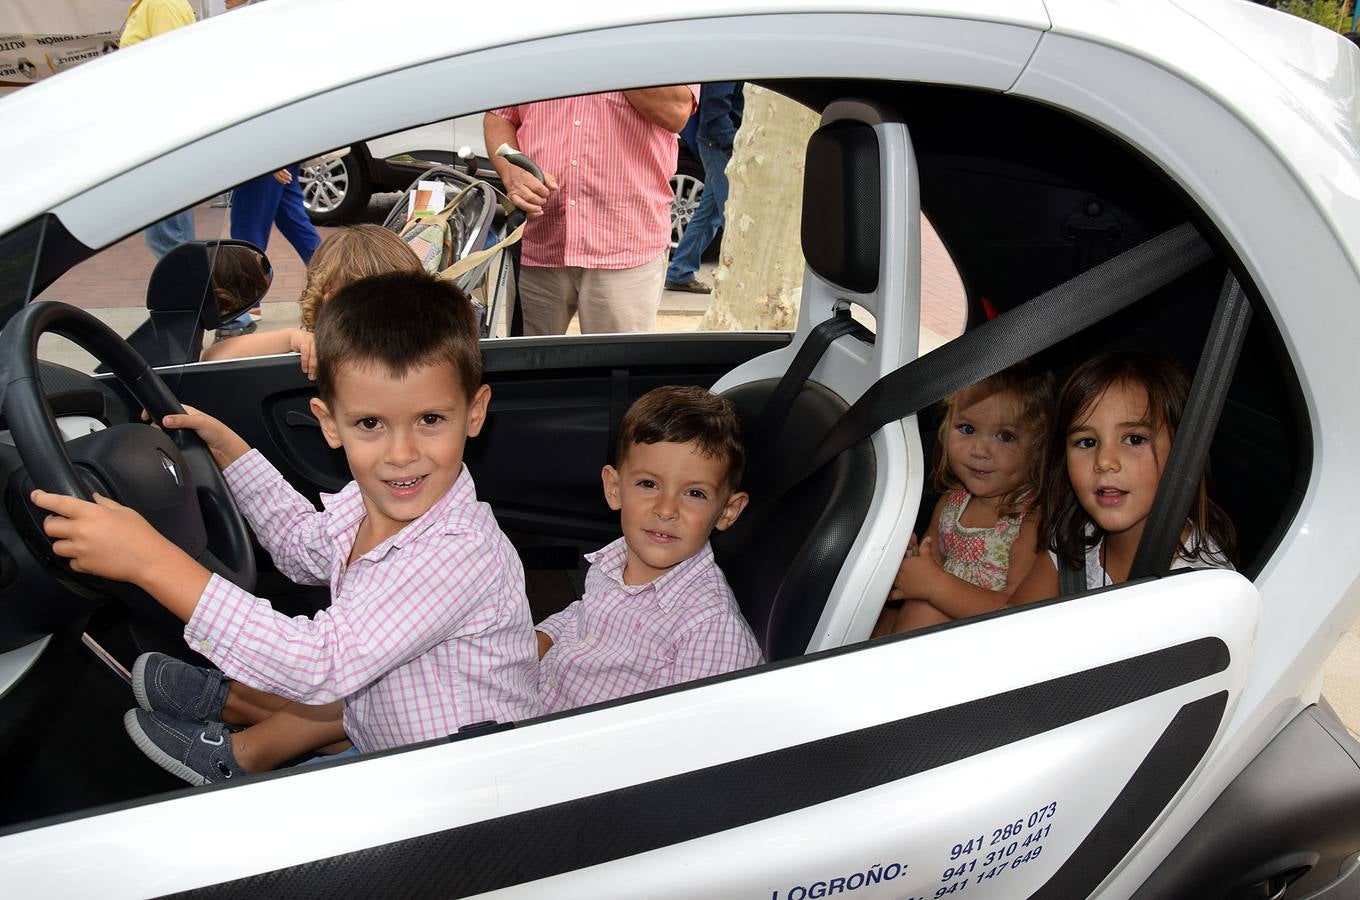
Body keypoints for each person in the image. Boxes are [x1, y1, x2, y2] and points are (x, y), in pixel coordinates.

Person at [32, 271, 540, 784]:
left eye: (430, 419)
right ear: (328, 423)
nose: (402, 455)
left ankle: (246, 729)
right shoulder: (365, 506)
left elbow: (320, 661)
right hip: (387, 731)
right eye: (370, 424)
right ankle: (246, 702)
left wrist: (149, 560)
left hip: (451, 780)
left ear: (474, 413)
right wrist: (229, 450)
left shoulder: (456, 552)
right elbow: (299, 546)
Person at [536, 385, 763, 713]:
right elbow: (584, 617)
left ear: (727, 511)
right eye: (648, 484)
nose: (666, 509)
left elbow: (691, 737)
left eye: (694, 493)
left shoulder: (709, 627)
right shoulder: (613, 560)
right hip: (539, 697)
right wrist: (545, 637)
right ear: (614, 489)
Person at [1010, 351, 1235, 604]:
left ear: (1183, 451)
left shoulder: (1202, 593)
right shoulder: (1076, 540)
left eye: (1134, 439)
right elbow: (1012, 623)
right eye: (1087, 442)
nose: (1105, 461)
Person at [484, 87, 698, 335]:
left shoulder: (656, 46)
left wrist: (605, 55)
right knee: (530, 366)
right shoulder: (531, 47)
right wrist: (513, 171)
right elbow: (499, 116)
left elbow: (676, 111)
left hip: (625, 246)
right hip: (539, 237)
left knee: (617, 368)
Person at [875, 362, 1055, 635]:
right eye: (967, 429)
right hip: (928, 629)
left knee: (926, 608)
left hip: (983, 640)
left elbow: (1016, 609)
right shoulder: (951, 504)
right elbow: (931, 563)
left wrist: (934, 585)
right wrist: (912, 562)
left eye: (1006, 436)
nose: (980, 450)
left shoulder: (1028, 520)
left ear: (1039, 447)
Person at [202, 224, 422, 378]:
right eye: (355, 307)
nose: (369, 321)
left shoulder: (428, 355)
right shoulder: (318, 355)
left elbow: (213, 357)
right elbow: (214, 357)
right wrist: (291, 339)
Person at [119, 0, 198, 259]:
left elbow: (173, 71)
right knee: (173, 237)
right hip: (160, 132)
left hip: (161, 133)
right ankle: (193, 296)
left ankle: (187, 297)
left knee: (167, 239)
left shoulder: (161, 4)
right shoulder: (154, 4)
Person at [664, 82, 745, 295]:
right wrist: (733, 145)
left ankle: (680, 272)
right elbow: (714, 110)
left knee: (711, 215)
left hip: (716, 143)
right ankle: (741, 282)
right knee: (734, 215)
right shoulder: (731, 60)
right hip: (719, 145)